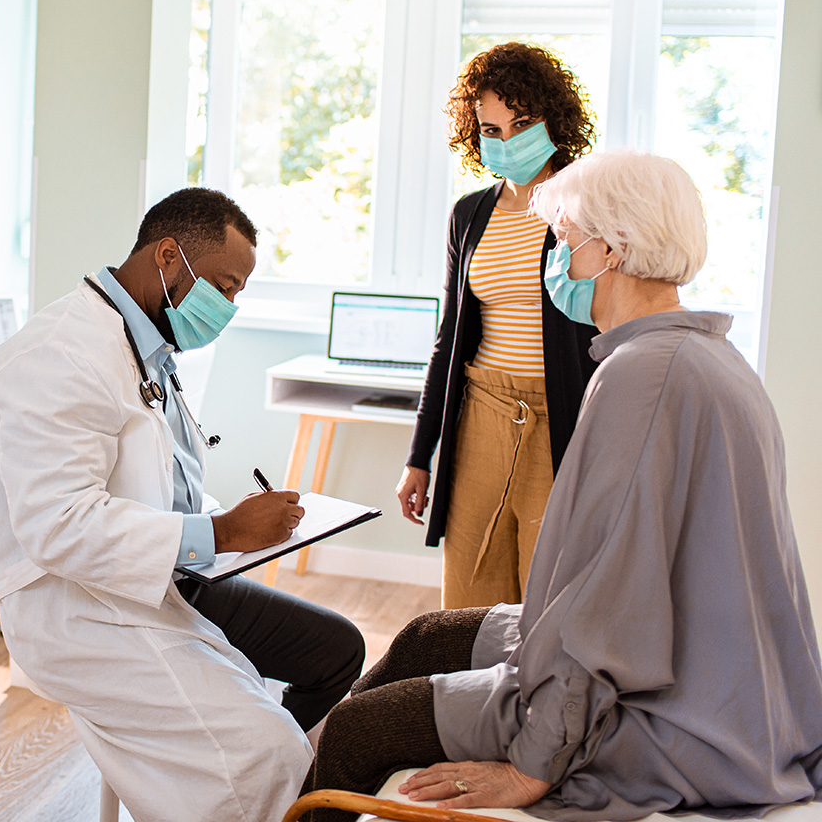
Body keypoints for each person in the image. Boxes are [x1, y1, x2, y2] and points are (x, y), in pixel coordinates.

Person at [299, 150, 822, 822]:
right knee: (425, 636)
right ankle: (292, 772)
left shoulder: (644, 377)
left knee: (359, 731)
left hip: (673, 712)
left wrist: (531, 763)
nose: (557, 259)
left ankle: (296, 793)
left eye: (565, 241)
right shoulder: (705, 355)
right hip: (711, 674)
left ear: (612, 249)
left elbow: (606, 606)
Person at [0, 187, 365, 822]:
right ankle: (253, 778)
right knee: (264, 749)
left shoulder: (146, 344)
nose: (229, 307)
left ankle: (249, 774)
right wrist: (223, 531)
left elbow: (158, 482)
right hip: (75, 605)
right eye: (225, 286)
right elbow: (58, 526)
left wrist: (227, 522)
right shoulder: (59, 355)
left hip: (162, 579)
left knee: (335, 652)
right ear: (168, 256)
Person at [398, 42, 599, 609]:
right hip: (481, 416)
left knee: (550, 595)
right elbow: (449, 343)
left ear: (554, 120)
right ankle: (470, 699)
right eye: (492, 128)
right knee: (469, 591)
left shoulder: (589, 206)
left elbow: (607, 332)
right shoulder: (469, 215)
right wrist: (419, 456)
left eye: (523, 123)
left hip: (560, 419)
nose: (508, 141)